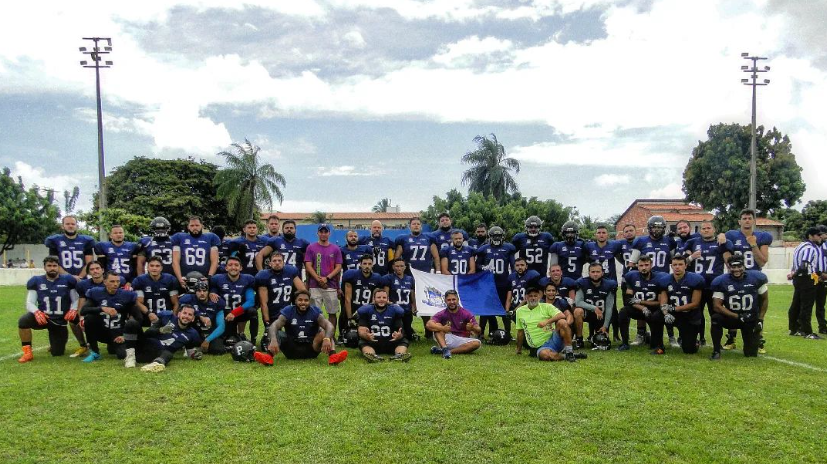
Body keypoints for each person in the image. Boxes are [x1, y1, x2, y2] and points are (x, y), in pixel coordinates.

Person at [722, 209, 773, 350]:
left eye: (750, 218)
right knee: (733, 305)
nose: (747, 220)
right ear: (739, 221)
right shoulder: (731, 235)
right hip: (736, 277)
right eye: (744, 218)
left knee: (755, 308)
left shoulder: (761, 237)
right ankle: (731, 338)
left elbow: (762, 261)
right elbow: (725, 253)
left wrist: (753, 245)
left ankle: (758, 337)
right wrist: (733, 270)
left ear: (754, 221)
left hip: (754, 277)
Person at [17, 256, 79, 363]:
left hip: (59, 322)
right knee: (23, 321)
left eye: (55, 266)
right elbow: (30, 302)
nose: (52, 268)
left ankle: (55, 344)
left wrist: (73, 309)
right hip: (43, 317)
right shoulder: (37, 281)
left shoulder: (68, 280)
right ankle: (27, 352)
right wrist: (36, 312)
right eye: (49, 266)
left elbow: (76, 299)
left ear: (58, 267)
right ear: (44, 268)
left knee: (57, 353)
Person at [683, 221, 733, 347]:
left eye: (708, 228)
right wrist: (691, 257)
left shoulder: (721, 243)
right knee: (696, 313)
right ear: (700, 231)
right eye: (703, 228)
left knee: (715, 314)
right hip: (698, 286)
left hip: (715, 285)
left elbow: (729, 262)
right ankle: (699, 338)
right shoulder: (693, 242)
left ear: (714, 229)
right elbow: (683, 262)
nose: (706, 230)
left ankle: (718, 342)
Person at [709, 254, 769, 359]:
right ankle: (716, 351)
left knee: (750, 354)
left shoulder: (756, 278)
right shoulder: (721, 281)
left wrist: (760, 319)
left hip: (750, 318)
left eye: (739, 266)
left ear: (744, 266)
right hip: (731, 317)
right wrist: (737, 316)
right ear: (729, 267)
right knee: (716, 318)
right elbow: (717, 306)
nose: (736, 269)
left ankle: (753, 342)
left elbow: (764, 299)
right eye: (733, 267)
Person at [631, 215, 678, 346]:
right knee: (643, 306)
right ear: (649, 228)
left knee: (666, 307)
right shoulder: (640, 241)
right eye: (654, 227)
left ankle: (671, 336)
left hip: (663, 279)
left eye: (659, 227)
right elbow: (632, 262)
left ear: (664, 228)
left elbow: (673, 260)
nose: (657, 230)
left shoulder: (670, 241)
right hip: (646, 278)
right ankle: (641, 334)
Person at [266, 290, 348, 364]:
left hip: (311, 349)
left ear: (309, 301)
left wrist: (326, 339)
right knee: (276, 332)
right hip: (291, 350)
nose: (303, 303)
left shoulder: (315, 311)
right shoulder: (288, 311)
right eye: (300, 300)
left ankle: (333, 356)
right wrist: (273, 340)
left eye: (306, 300)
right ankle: (268, 357)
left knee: (327, 331)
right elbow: (274, 325)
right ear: (295, 301)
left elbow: (329, 326)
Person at [80, 271, 142, 362]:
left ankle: (113, 346)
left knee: (121, 355)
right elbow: (83, 311)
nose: (115, 284)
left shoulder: (127, 295)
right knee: (89, 318)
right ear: (105, 282)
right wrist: (102, 309)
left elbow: (139, 318)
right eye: (112, 281)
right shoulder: (96, 293)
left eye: (117, 281)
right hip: (102, 331)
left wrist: (125, 336)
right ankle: (95, 352)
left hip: (118, 333)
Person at [121, 305, 202, 372]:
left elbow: (189, 351)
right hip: (144, 345)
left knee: (169, 354)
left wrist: (194, 355)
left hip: (159, 353)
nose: (186, 316)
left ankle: (155, 364)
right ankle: (130, 357)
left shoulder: (193, 334)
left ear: (193, 318)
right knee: (131, 323)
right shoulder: (167, 317)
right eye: (184, 313)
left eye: (190, 315)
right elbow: (147, 333)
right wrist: (160, 330)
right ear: (179, 314)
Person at [516, 287, 583, 362]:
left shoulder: (547, 306)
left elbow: (562, 315)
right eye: (530, 296)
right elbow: (520, 331)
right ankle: (566, 356)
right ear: (526, 297)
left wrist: (547, 322)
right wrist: (519, 349)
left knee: (562, 322)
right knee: (545, 355)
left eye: (535, 296)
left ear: (539, 297)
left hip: (553, 339)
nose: (533, 298)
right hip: (540, 346)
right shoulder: (520, 311)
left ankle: (569, 352)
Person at [617, 255, 665, 354]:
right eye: (641, 265)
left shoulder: (660, 278)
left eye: (646, 265)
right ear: (637, 266)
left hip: (653, 309)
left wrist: (642, 303)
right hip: (639, 308)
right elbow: (629, 299)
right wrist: (642, 308)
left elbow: (660, 302)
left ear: (651, 265)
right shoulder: (632, 276)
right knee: (623, 312)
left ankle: (657, 344)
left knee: (657, 316)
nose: (644, 268)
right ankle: (625, 343)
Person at [658, 255, 705, 354]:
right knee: (656, 316)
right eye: (675, 265)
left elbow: (695, 304)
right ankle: (658, 344)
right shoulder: (665, 280)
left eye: (680, 264)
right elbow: (663, 301)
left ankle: (693, 342)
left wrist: (674, 309)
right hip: (673, 313)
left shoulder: (695, 279)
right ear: (671, 266)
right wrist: (666, 313)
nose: (677, 267)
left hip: (689, 316)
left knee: (689, 350)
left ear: (686, 266)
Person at [475, 226, 516, 338]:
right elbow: (477, 265)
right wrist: (484, 267)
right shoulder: (484, 249)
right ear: (490, 237)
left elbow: (513, 266)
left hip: (503, 283)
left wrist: (513, 279)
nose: (497, 238)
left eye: (499, 236)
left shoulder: (508, 248)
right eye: (494, 236)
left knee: (504, 309)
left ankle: (507, 333)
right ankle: (481, 333)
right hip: (488, 284)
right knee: (486, 309)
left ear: (503, 236)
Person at [304, 223, 344, 334]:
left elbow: (338, 267)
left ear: (329, 233)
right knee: (315, 313)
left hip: (331, 285)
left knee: (332, 312)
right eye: (321, 232)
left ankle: (330, 335)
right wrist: (318, 279)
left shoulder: (335, 249)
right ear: (317, 233)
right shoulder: (311, 247)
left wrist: (327, 278)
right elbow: (308, 265)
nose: (323, 234)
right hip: (314, 285)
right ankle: (316, 334)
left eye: (325, 232)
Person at [209, 256, 257, 344]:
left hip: (238, 313)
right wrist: (211, 292)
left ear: (241, 268)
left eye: (236, 265)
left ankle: (253, 341)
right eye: (230, 265)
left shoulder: (247, 279)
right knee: (226, 341)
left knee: (252, 312)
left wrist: (234, 312)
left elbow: (251, 301)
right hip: (224, 315)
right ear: (226, 268)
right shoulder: (218, 279)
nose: (233, 267)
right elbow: (213, 291)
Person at [788, 226, 825, 339]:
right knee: (806, 305)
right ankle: (807, 331)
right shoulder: (810, 248)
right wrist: (794, 274)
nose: (820, 237)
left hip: (799, 279)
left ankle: (794, 329)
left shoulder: (800, 246)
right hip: (806, 278)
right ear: (811, 236)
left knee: (796, 304)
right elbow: (805, 265)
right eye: (818, 235)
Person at [255, 251, 306, 332]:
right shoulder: (263, 276)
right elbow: (263, 303)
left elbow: (303, 292)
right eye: (274, 261)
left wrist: (300, 312)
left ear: (284, 262)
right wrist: (267, 322)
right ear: (270, 263)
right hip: (273, 312)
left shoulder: (290, 271)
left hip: (288, 311)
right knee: (271, 339)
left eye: (279, 261)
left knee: (295, 339)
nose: (277, 263)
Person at [357, 288, 411, 362]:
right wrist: (366, 335)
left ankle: (399, 355)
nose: (381, 299)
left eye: (384, 297)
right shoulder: (367, 311)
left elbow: (400, 331)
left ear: (388, 299)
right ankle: (372, 355)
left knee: (403, 341)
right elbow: (361, 330)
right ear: (373, 299)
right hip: (373, 341)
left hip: (390, 341)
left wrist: (398, 336)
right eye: (379, 297)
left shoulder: (394, 311)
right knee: (362, 342)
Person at [425, 290, 481, 358]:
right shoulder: (442, 313)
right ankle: (445, 348)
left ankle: (446, 351)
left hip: (462, 340)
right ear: (445, 301)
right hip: (447, 339)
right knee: (438, 325)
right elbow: (428, 324)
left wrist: (472, 328)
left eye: (453, 299)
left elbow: (479, 330)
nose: (451, 302)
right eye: (449, 300)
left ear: (457, 300)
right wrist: (442, 328)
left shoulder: (466, 313)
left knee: (477, 343)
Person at [574, 262, 617, 349]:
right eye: (593, 272)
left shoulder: (609, 284)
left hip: (601, 315)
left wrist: (605, 326)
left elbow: (609, 307)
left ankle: (598, 333)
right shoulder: (582, 282)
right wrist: (594, 308)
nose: (595, 274)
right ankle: (579, 339)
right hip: (588, 313)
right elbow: (578, 302)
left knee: (601, 340)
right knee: (578, 311)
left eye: (598, 272)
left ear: (602, 273)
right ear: (589, 273)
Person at [171, 216, 221, 290]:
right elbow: (175, 261)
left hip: (204, 278)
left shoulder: (211, 238)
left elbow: (214, 261)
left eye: (197, 225)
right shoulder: (179, 237)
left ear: (202, 226)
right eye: (192, 225)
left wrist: (209, 277)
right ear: (188, 227)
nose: (195, 227)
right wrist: (180, 279)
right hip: (184, 278)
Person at [178, 280, 226, 355]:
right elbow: (182, 316)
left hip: (210, 332)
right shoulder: (188, 299)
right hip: (195, 331)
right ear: (195, 292)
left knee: (217, 350)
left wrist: (207, 340)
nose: (202, 293)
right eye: (199, 291)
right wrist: (199, 316)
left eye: (204, 291)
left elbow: (221, 326)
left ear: (208, 292)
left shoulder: (216, 301)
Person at [44, 215, 95, 280]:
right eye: (67, 224)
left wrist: (80, 278)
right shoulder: (55, 240)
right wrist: (70, 278)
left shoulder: (86, 240)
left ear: (77, 226)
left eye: (73, 224)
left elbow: (89, 263)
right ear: (62, 226)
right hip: (62, 279)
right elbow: (54, 263)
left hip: (81, 279)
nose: (70, 226)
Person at [132, 256, 180, 320]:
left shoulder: (170, 279)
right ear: (147, 267)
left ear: (161, 268)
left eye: (157, 266)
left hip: (166, 315)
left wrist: (172, 318)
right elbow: (139, 302)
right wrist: (149, 313)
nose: (154, 268)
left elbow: (175, 303)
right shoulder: (140, 280)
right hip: (147, 316)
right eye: (152, 266)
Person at [343, 255, 384, 324]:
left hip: (367, 311)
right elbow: (347, 299)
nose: (367, 266)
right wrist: (350, 318)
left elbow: (374, 300)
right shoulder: (351, 275)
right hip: (352, 308)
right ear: (360, 265)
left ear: (372, 265)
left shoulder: (377, 278)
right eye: (364, 264)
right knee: (349, 334)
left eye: (369, 264)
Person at [383, 258, 417, 340]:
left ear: (405, 267)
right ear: (393, 267)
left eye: (401, 266)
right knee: (396, 332)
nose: (399, 268)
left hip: (407, 310)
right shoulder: (389, 278)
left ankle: (410, 332)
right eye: (397, 266)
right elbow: (385, 295)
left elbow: (412, 295)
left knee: (408, 335)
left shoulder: (410, 279)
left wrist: (414, 306)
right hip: (394, 310)